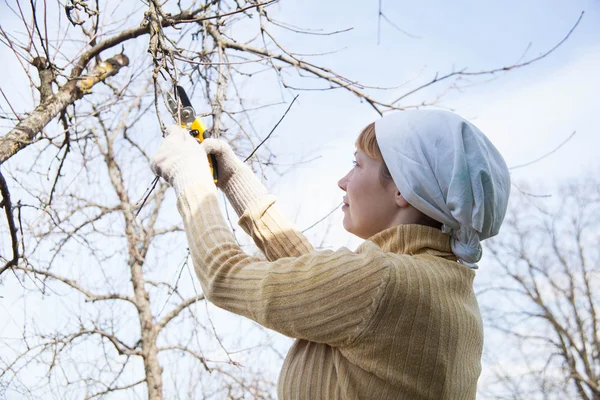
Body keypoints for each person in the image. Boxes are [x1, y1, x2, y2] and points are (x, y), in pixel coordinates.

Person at [151, 109, 511, 399]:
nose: (343, 180)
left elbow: (224, 274)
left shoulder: (380, 282)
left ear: (402, 189)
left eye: (357, 165)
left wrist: (191, 179)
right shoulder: (441, 285)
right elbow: (323, 285)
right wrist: (233, 180)